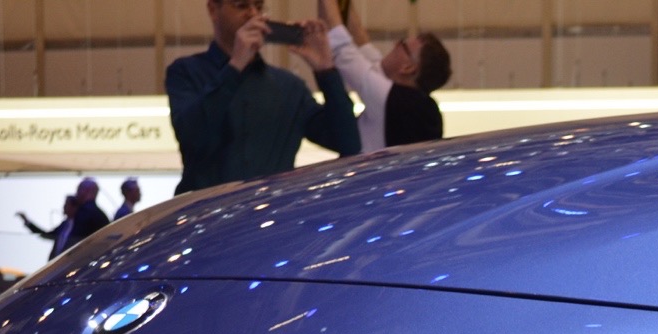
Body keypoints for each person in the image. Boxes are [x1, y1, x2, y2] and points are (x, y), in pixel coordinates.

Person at [166, 0, 360, 194]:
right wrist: (236, 66)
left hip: (269, 208)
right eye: (241, 5)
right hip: (206, 209)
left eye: (258, 7)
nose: (252, 14)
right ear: (213, 10)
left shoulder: (290, 87)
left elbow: (348, 143)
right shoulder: (186, 72)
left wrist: (326, 71)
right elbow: (191, 136)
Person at [317, 0, 449, 151]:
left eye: (402, 45)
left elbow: (341, 49)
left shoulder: (395, 102)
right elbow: (360, 40)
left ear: (407, 68)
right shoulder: (409, 100)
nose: (395, 44)